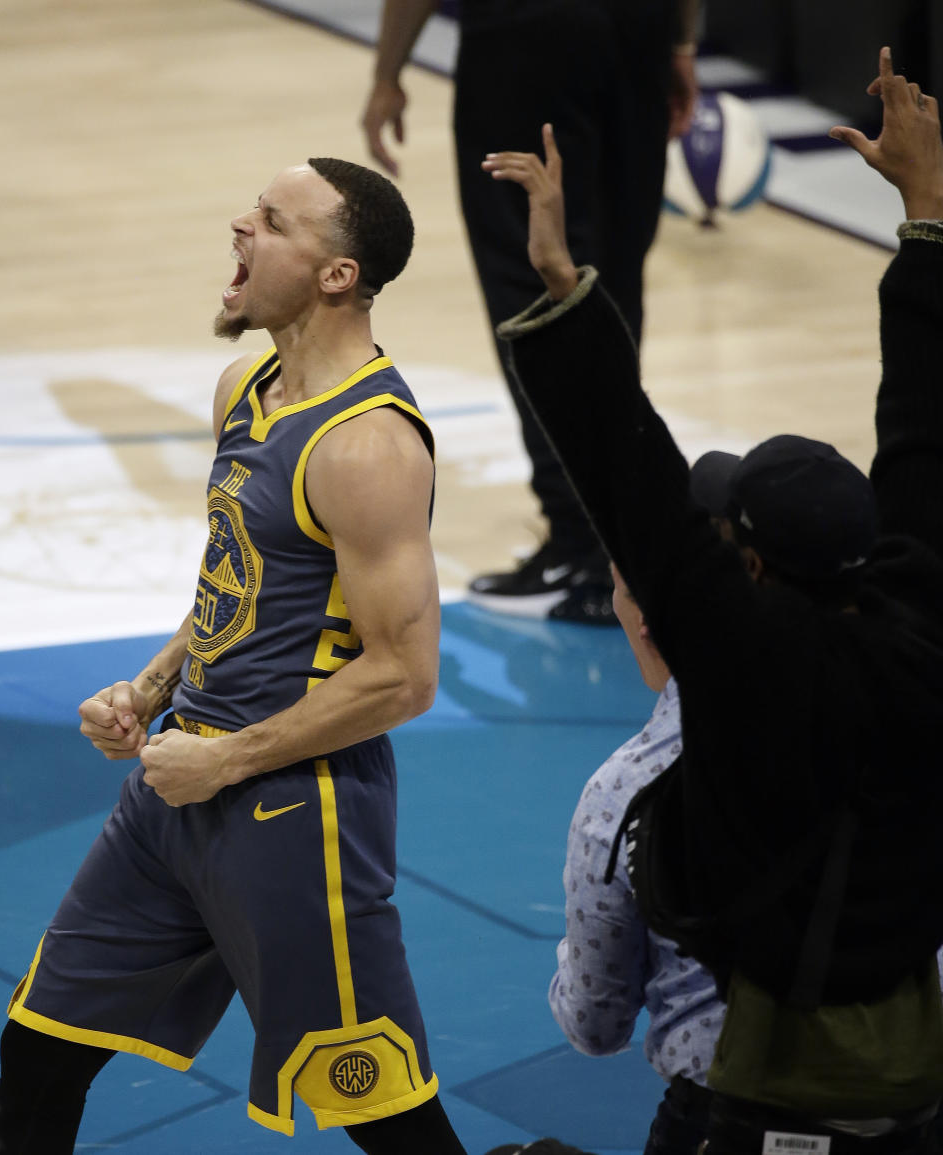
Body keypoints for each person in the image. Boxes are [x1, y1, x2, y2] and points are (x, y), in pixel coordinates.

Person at [482, 46, 943, 1154]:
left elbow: (629, 478)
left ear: (745, 568)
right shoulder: (920, 634)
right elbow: (925, 438)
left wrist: (562, 287)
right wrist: (927, 212)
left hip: (747, 1115)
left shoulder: (736, 681)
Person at [0, 159, 466, 1154]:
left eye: (270, 221)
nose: (238, 228)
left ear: (337, 274)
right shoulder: (244, 384)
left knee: (387, 1118)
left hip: (298, 814)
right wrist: (151, 689)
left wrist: (231, 757)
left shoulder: (369, 446)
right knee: (39, 1051)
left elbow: (404, 675)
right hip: (178, 786)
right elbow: (236, 585)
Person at [360, 0, 698, 625]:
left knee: (531, 273)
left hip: (527, 34)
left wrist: (387, 73)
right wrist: (679, 40)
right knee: (613, 277)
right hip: (640, 27)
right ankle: (625, 540)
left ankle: (583, 545)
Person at [485, 571, 723, 1155]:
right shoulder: (899, 720)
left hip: (729, 1116)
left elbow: (595, 1024)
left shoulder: (630, 790)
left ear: (643, 621)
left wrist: (572, 956)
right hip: (913, 1096)